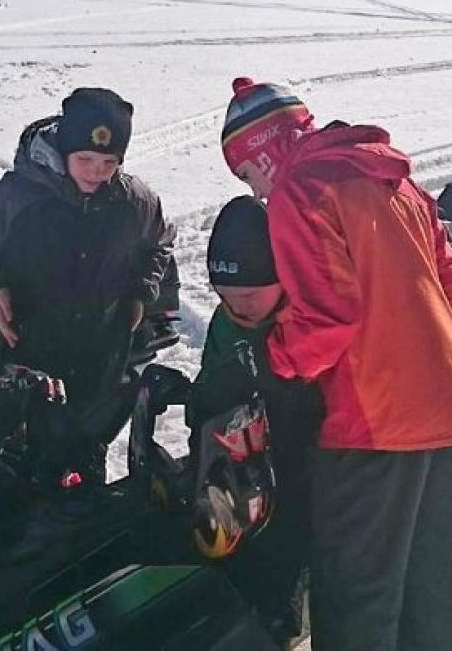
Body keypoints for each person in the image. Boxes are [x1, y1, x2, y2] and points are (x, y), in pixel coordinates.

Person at [219, 77, 452, 651]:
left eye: (247, 175)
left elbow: (327, 315)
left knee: (357, 599)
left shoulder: (301, 189)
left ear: (264, 151)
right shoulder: (394, 182)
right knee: (436, 594)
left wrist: (274, 361)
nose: (258, 193)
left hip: (375, 426)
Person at [0, 87, 175, 484]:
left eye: (108, 161)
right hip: (27, 351)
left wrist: (139, 294)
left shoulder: (134, 202)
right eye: (85, 158)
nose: (97, 171)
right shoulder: (16, 198)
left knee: (85, 450)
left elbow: (159, 245)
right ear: (63, 151)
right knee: (27, 465)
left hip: (102, 350)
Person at [187, 195, 321, 646]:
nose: (236, 306)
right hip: (247, 460)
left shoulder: (307, 319)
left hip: (307, 461)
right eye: (224, 296)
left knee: (293, 533)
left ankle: (289, 611)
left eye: (247, 295)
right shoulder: (228, 324)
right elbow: (211, 381)